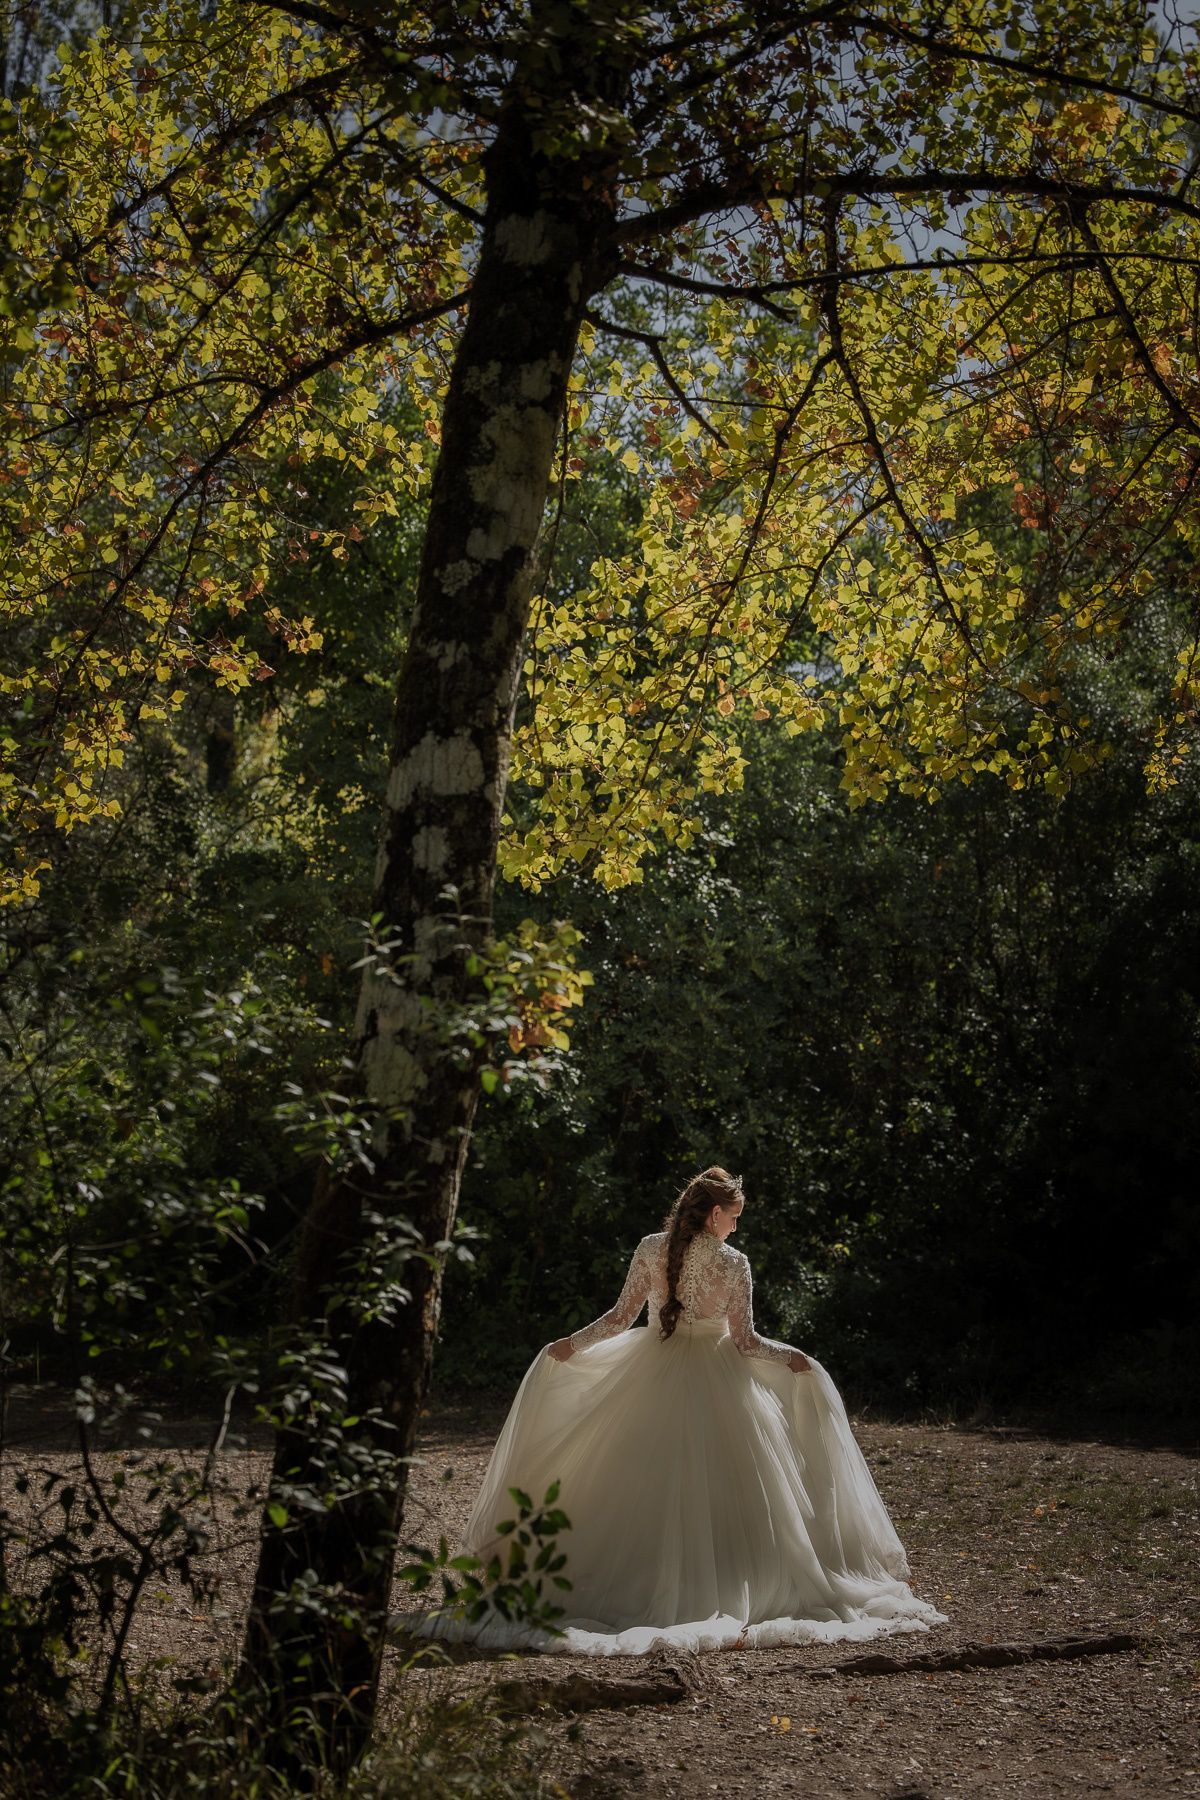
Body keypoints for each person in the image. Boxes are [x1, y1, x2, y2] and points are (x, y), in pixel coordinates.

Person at [445, 1167, 945, 1655]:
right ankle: (725, 1582)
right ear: (712, 1216)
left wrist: (569, 1346)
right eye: (733, 1216)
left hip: (653, 1368)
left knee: (637, 1479)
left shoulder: (648, 1248)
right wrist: (793, 1358)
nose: (736, 1226)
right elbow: (747, 1342)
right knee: (729, 1486)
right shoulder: (735, 1263)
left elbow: (621, 1319)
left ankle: (624, 1579)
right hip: (718, 1377)